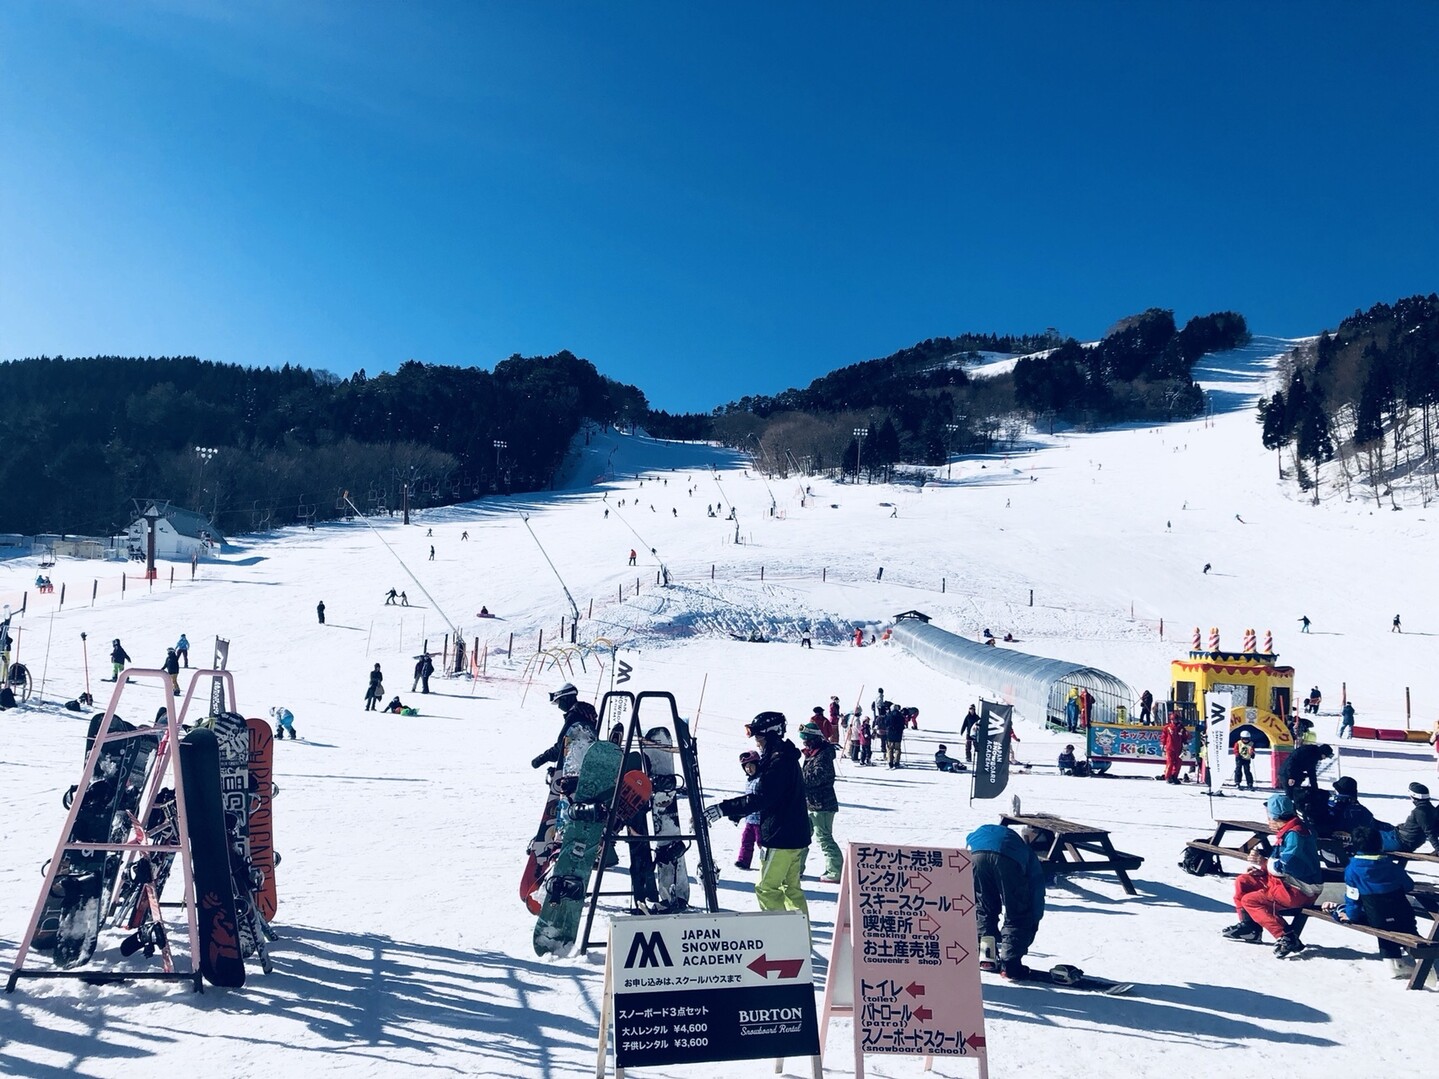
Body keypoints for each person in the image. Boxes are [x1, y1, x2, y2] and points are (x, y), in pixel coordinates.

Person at [707, 712, 811, 920]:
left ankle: (784, 940)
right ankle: (800, 941)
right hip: (794, 834)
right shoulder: (783, 757)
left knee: (767, 888)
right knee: (791, 889)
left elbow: (762, 797)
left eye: (759, 737)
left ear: (771, 735)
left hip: (781, 836)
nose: (757, 742)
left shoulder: (778, 761)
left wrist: (725, 808)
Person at [1222, 793, 1323, 957]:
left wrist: (1263, 862)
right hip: (1287, 883)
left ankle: (1286, 936)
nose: (1267, 820)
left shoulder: (1296, 835)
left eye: (1269, 816)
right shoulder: (1289, 830)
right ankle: (1250, 927)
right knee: (1244, 881)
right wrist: (1262, 869)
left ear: (1276, 817)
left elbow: (1286, 865)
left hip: (1299, 889)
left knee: (1251, 900)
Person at [1324, 824, 1418, 977]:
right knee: (1406, 929)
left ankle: (1393, 964)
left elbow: (1352, 898)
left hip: (1376, 918)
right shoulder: (1391, 866)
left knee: (1383, 922)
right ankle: (1424, 963)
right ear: (1380, 843)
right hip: (1403, 914)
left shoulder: (1352, 870)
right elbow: (1408, 885)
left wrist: (1350, 915)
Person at [967, 823, 1046, 980]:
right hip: (1007, 859)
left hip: (975, 854)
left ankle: (986, 956)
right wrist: (1034, 919)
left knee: (984, 908)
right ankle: (1010, 965)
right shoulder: (1027, 853)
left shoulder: (985, 833)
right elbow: (1035, 892)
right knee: (1018, 913)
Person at [798, 720, 842, 883]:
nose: (805, 743)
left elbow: (818, 776)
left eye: (807, 740)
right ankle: (795, 868)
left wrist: (798, 779)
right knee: (801, 837)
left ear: (814, 738)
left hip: (822, 804)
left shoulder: (823, 754)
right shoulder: (812, 754)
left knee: (824, 837)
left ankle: (835, 870)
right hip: (809, 803)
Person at [530, 682, 599, 772]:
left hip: (576, 768)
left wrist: (542, 758)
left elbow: (562, 745)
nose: (559, 706)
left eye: (559, 702)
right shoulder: (584, 713)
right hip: (588, 762)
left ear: (566, 699)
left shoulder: (574, 717)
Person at [1279, 742, 1335, 820]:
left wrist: (1315, 789)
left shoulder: (1314, 757)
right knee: (1290, 795)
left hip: (1296, 775)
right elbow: (1292, 761)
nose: (1324, 758)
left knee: (1296, 795)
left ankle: (1296, 814)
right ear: (1323, 753)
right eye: (1325, 756)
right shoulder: (1307, 751)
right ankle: (1285, 814)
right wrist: (1290, 776)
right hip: (1287, 773)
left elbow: (1312, 773)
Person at [733, 752, 762, 870]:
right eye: (746, 767)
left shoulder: (761, 779)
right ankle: (743, 860)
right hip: (750, 819)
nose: (749, 769)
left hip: (761, 819)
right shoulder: (749, 780)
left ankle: (767, 863)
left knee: (762, 843)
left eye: (751, 765)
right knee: (746, 840)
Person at [1393, 782, 1439, 852]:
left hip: (1402, 841)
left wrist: (1438, 849)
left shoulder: (1420, 812)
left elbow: (1430, 831)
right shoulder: (1429, 809)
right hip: (1402, 837)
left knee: (1374, 834)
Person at [1160, 712, 1186, 784]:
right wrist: (1162, 744)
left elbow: (1185, 736)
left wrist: (1185, 741)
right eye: (1172, 720)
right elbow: (1163, 737)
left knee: (1178, 763)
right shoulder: (1167, 727)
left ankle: (1175, 776)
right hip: (1170, 747)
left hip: (1179, 748)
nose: (1174, 721)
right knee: (1170, 762)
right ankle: (1168, 777)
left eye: (1175, 719)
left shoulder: (1181, 727)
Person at [882, 704, 907, 768]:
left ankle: (890, 762)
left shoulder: (889, 715)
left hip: (890, 735)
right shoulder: (900, 716)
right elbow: (903, 724)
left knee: (890, 749)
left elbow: (886, 723)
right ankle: (897, 762)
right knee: (897, 749)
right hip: (898, 735)